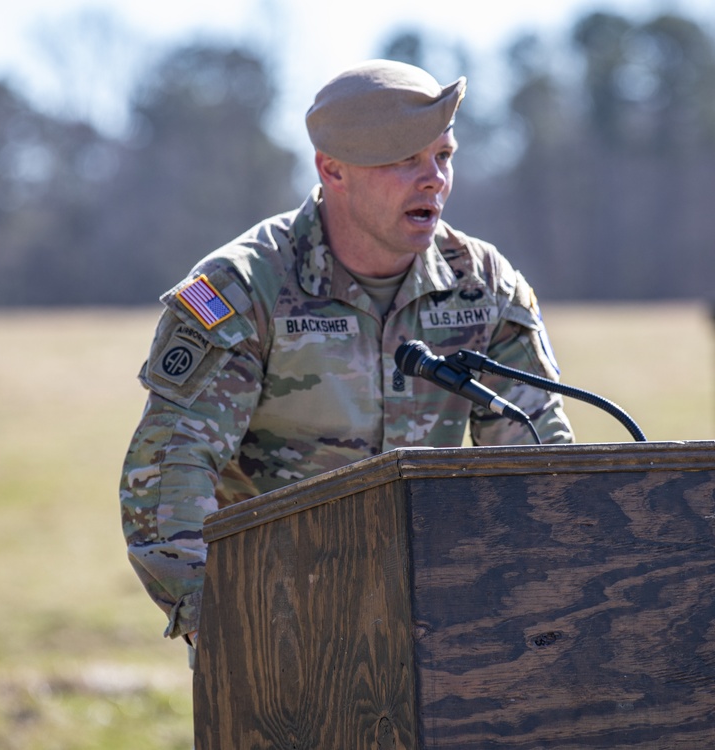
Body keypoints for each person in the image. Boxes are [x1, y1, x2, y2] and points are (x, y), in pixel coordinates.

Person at [119, 59, 575, 655]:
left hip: (440, 628)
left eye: (444, 155)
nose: (434, 178)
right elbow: (168, 472)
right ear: (333, 170)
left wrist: (551, 603)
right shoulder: (246, 287)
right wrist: (228, 629)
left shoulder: (482, 284)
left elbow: (540, 463)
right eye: (404, 160)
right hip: (279, 624)